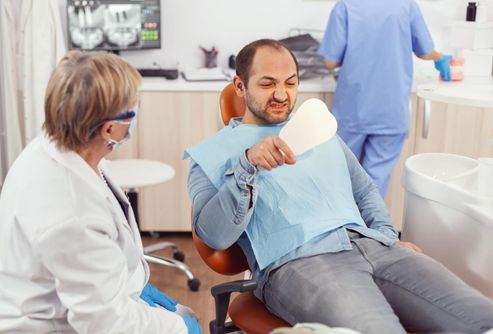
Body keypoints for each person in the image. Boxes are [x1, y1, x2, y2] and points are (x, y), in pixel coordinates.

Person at [185, 39, 493, 334]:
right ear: (240, 86)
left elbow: (364, 191)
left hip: (373, 246)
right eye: (267, 84)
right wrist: (246, 166)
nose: (281, 94)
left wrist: (387, 239)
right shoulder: (210, 155)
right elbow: (213, 235)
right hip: (300, 262)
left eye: (290, 83)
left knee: (482, 319)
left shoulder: (319, 131)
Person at [0, 51, 201, 334]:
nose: (138, 110)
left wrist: (134, 285)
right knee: (186, 323)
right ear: (109, 128)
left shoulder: (58, 147)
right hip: (57, 326)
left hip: (80, 303)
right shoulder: (70, 211)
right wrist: (180, 329)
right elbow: (107, 324)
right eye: (135, 106)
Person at [318, 0, 452, 197]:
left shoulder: (345, 6)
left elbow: (330, 61)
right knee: (375, 181)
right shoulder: (406, 6)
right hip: (391, 111)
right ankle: (368, 229)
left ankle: (341, 227)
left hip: (353, 109)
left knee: (341, 174)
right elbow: (425, 51)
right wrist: (441, 58)